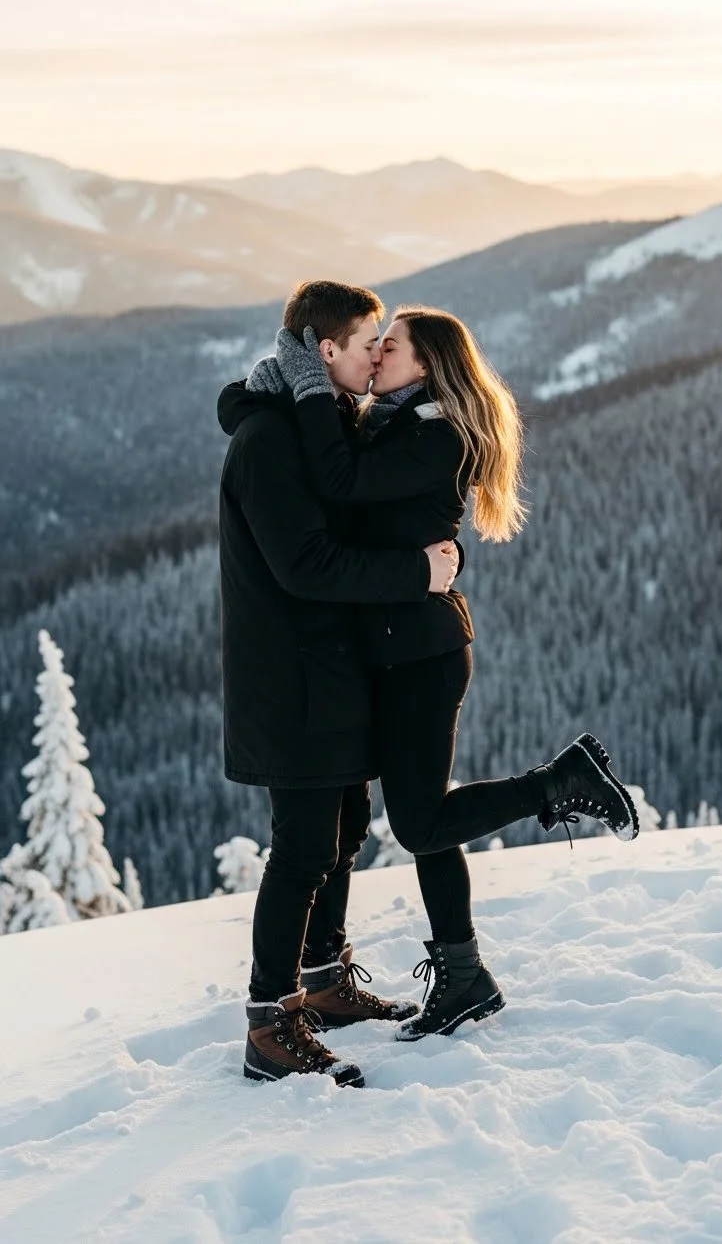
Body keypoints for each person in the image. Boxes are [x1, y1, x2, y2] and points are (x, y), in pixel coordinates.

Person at [265, 305, 640, 1041]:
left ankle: (560, 782)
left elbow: (341, 483)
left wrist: (310, 385)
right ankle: (463, 976)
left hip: (423, 657)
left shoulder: (433, 437)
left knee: (420, 821)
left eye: (391, 347)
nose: (377, 357)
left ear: (427, 363)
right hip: (399, 652)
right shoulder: (399, 423)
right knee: (428, 817)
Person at [217, 282, 460, 1090]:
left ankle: (322, 975)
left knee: (346, 827)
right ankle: (270, 1021)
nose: (375, 356)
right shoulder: (268, 442)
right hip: (292, 681)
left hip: (330, 671)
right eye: (367, 344)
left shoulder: (314, 425)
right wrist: (416, 575)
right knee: (302, 848)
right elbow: (306, 564)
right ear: (327, 352)